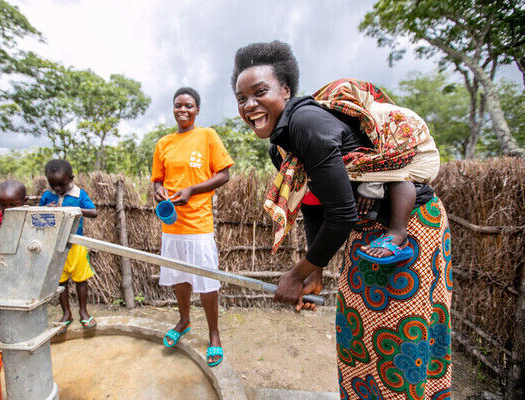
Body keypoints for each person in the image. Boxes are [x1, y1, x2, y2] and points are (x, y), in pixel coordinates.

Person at [233, 41, 452, 399]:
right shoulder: (281, 147)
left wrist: (297, 274)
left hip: (410, 226)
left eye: (260, 92)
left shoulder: (305, 123)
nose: (249, 105)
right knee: (359, 335)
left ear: (286, 90)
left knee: (399, 338)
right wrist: (315, 272)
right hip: (366, 232)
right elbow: (314, 207)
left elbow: (341, 215)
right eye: (241, 98)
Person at [151, 87, 234, 367]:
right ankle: (184, 321)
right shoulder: (163, 143)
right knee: (179, 277)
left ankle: (214, 335)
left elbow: (224, 174)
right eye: (178, 105)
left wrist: (192, 190)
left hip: (199, 223)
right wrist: (159, 191)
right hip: (171, 225)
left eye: (188, 105)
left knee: (207, 281)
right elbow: (157, 180)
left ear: (197, 110)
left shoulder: (207, 136)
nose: (182, 110)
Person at [40, 159, 98, 331]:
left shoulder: (79, 195)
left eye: (61, 184)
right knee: (61, 282)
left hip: (76, 245)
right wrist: (46, 210)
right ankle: (66, 313)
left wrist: (74, 210)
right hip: (55, 246)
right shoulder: (47, 197)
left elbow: (93, 212)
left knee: (81, 280)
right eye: (53, 185)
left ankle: (83, 312)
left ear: (71, 178)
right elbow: (38, 219)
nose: (57, 189)